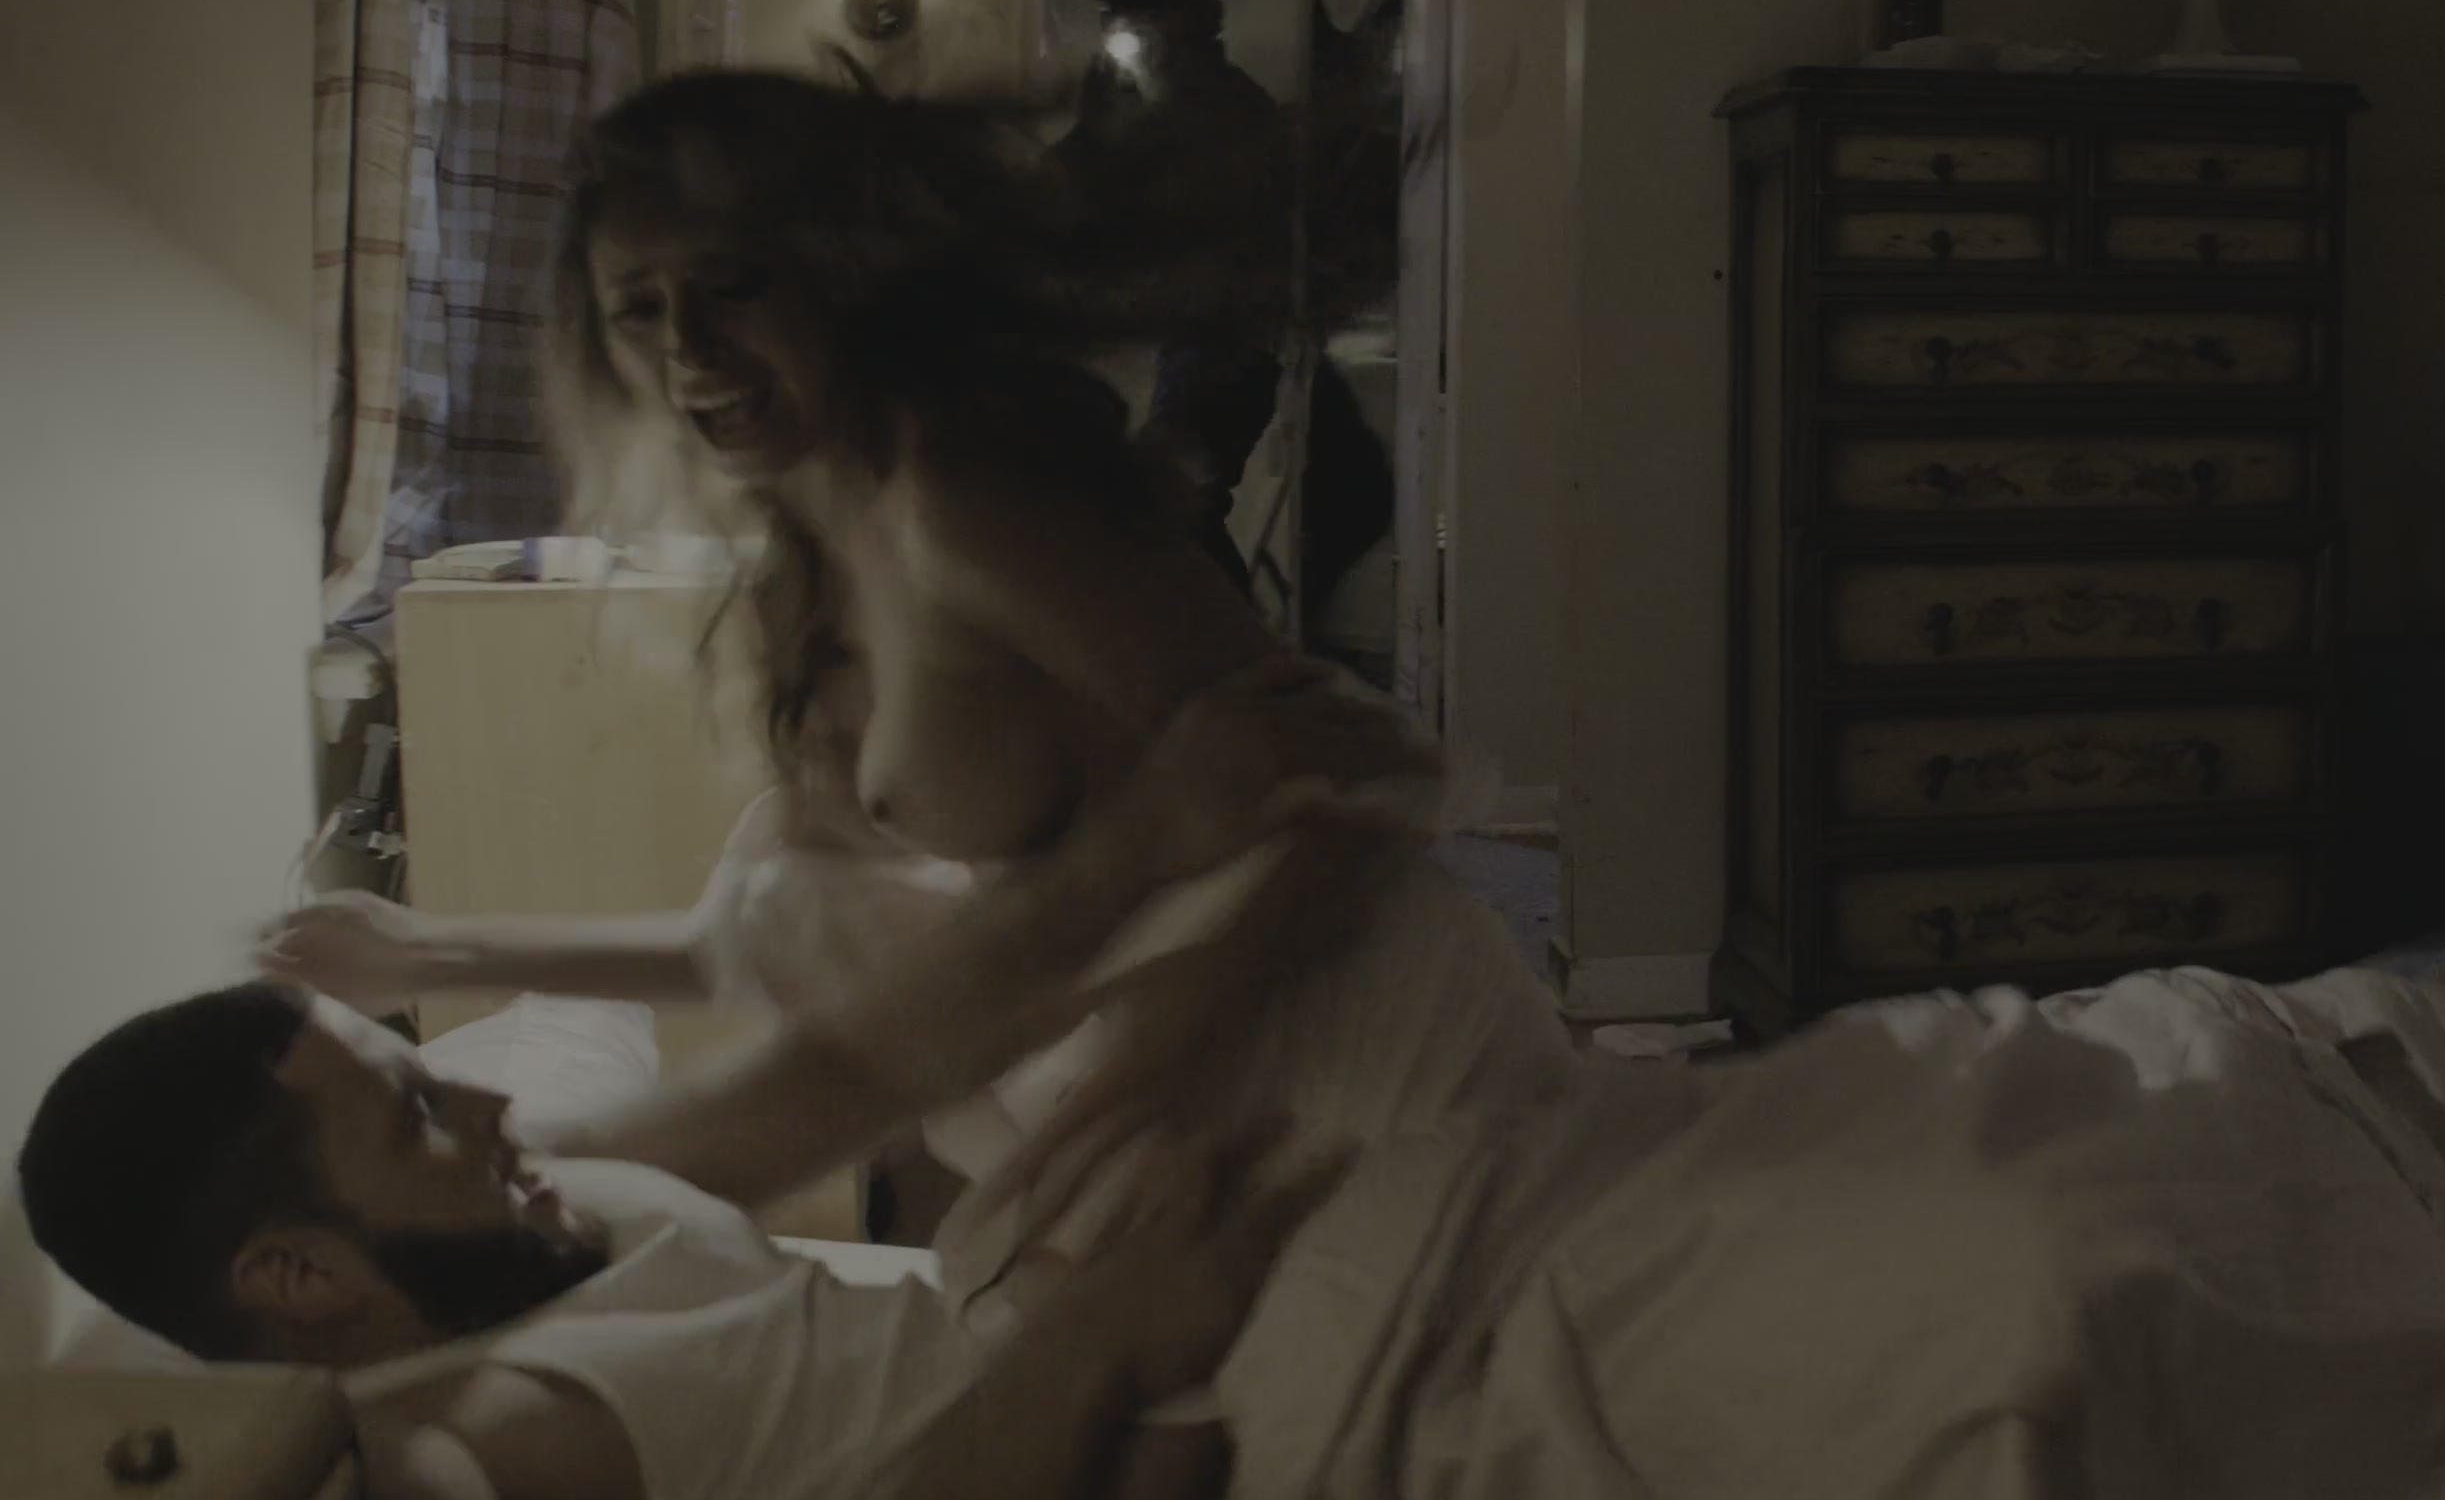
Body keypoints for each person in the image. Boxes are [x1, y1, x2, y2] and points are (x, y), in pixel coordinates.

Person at [261, 69, 1570, 1304]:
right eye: (638, 310)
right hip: (1191, 1125)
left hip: (1356, 1050)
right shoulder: (799, 556)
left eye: (731, 287)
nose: (688, 350)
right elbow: (782, 945)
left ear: (845, 272)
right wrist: (433, 951)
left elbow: (1356, 773)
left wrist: (1170, 1045)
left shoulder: (963, 494)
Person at [13, 983, 1319, 1500]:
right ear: (297, 1273)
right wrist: (1105, 1349)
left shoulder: (523, 1226)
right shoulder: (446, 1457)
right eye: (416, 1113)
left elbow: (831, 1083)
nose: (487, 1104)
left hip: (1132, 1346)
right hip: (1159, 1469)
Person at [1051, 0, 1398, 618]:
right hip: (1195, 336)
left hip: (1228, 344)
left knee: (1172, 504)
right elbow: (1074, 177)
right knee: (1170, 504)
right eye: (1124, 21)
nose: (1138, 36)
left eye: (1154, 19)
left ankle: (1227, 639)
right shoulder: (1126, 103)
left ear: (1194, 23)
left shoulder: (1225, 112)